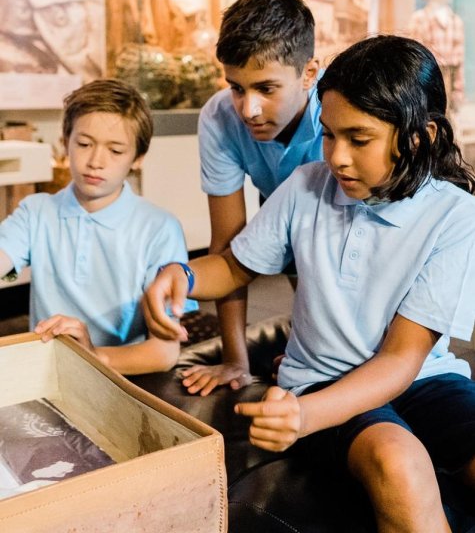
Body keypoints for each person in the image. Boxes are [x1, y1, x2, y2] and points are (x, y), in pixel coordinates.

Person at [144, 35, 475, 531]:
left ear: (419, 136)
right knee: (400, 462)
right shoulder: (305, 186)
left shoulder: (456, 216)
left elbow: (403, 358)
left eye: (358, 139)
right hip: (321, 383)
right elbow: (234, 267)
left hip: (420, 379)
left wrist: (303, 416)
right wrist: (183, 273)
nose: (337, 157)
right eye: (328, 134)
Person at [0, 78, 196, 375]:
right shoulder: (37, 211)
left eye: (115, 151)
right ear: (64, 142)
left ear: (138, 158)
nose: (95, 161)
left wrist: (91, 355)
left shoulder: (159, 228)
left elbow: (164, 352)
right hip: (47, 372)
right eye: (84, 144)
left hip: (120, 380)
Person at [185, 0, 323, 395]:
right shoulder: (219, 117)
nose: (249, 109)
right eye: (237, 86)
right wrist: (234, 360)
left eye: (266, 88)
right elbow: (227, 246)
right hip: (277, 199)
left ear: (309, 74)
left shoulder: (340, 108)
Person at [408, 0, 464, 112]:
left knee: (446, 117)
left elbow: (459, 61)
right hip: (425, 77)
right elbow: (412, 57)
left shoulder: (455, 21)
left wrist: (458, 90)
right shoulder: (419, 19)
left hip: (447, 80)